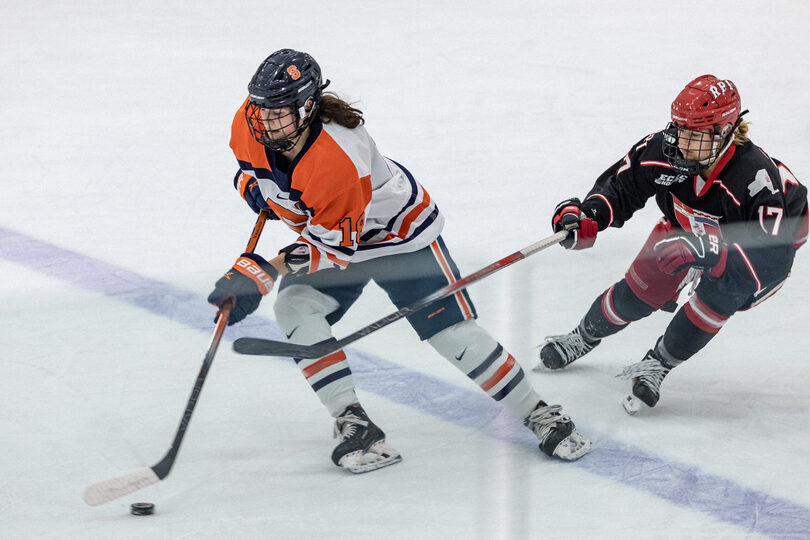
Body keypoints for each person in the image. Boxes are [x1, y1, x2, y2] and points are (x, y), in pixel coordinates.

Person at [206, 48, 591, 472]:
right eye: (261, 109)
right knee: (294, 306)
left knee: (451, 334)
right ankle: (354, 423)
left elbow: (334, 249)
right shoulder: (251, 121)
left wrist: (265, 270)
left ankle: (538, 413)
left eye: (279, 111)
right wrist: (257, 190)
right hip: (339, 234)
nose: (265, 120)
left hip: (399, 238)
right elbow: (249, 170)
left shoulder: (339, 158)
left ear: (309, 105)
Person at [536, 74, 808, 415]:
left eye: (694, 134)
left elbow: (773, 260)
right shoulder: (663, 150)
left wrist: (710, 253)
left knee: (721, 293)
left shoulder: (755, 181)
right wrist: (587, 214)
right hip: (686, 224)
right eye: (680, 129)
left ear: (724, 132)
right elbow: (622, 187)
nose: (681, 141)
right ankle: (582, 336)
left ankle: (659, 364)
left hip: (751, 251)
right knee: (638, 292)